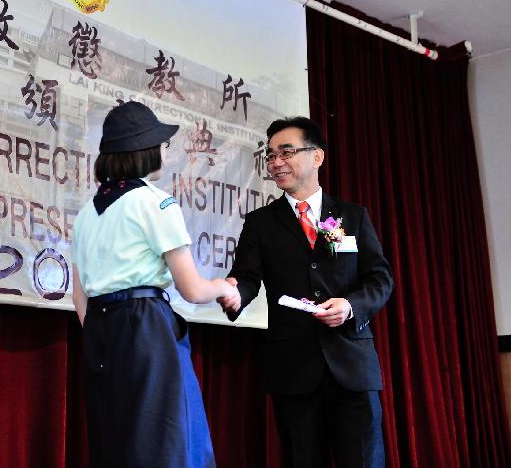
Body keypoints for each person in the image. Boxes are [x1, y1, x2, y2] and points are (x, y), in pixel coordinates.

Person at [71, 101, 240, 468]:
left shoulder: (86, 214)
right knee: (168, 444)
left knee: (116, 443)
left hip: (101, 334)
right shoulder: (155, 202)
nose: (167, 150)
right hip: (145, 326)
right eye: (162, 144)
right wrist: (225, 288)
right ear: (145, 151)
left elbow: (79, 296)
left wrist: (107, 330)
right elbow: (192, 289)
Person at [218, 116, 393, 468]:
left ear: (317, 157)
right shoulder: (261, 224)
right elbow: (247, 277)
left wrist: (350, 305)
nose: (276, 162)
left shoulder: (351, 216)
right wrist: (234, 293)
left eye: (286, 152)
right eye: (270, 156)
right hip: (293, 369)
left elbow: (379, 279)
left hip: (351, 366)